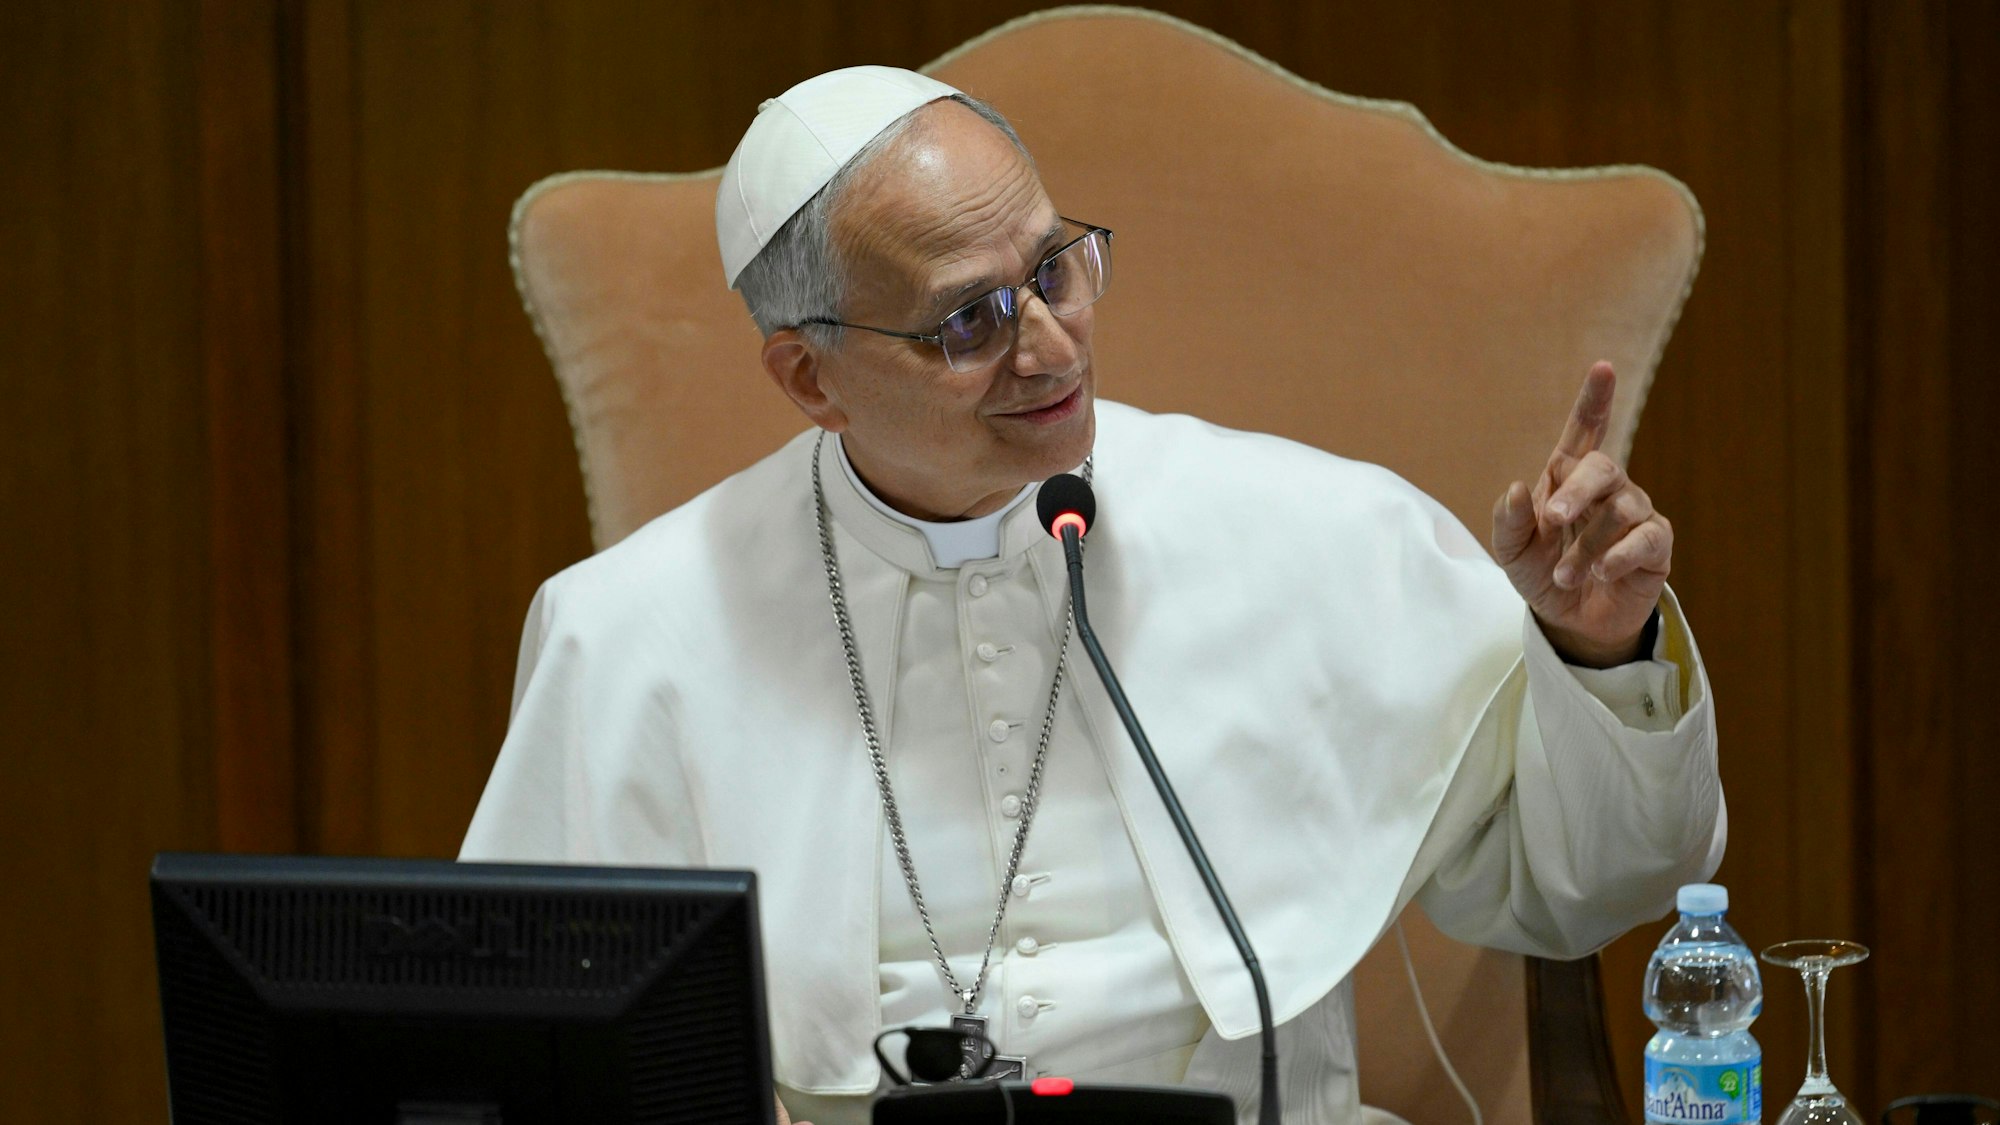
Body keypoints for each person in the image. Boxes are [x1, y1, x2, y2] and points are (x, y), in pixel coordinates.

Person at [461, 67, 1722, 1125]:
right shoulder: (633, 634)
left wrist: (1593, 651)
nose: (1052, 348)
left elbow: (1582, 893)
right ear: (809, 377)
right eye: (970, 322)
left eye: (1055, 268)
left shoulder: (1311, 532)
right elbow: (540, 1053)